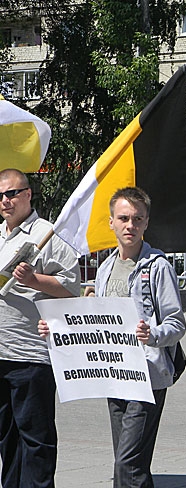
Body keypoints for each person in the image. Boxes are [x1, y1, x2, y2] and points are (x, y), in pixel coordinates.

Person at [41, 187, 186, 487]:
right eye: (123, 218)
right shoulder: (105, 268)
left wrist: (152, 334)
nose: (130, 225)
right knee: (128, 462)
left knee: (128, 463)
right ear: (111, 222)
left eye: (137, 219)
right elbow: (95, 323)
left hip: (147, 377)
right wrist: (57, 328)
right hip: (116, 376)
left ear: (146, 223)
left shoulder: (158, 267)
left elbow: (177, 323)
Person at [0, 168, 80, 488]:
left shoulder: (47, 234)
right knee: (7, 438)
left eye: (11, 193)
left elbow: (72, 287)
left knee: (36, 438)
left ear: (28, 194)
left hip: (32, 355)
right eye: (0, 196)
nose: (5, 201)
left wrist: (34, 280)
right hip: (1, 353)